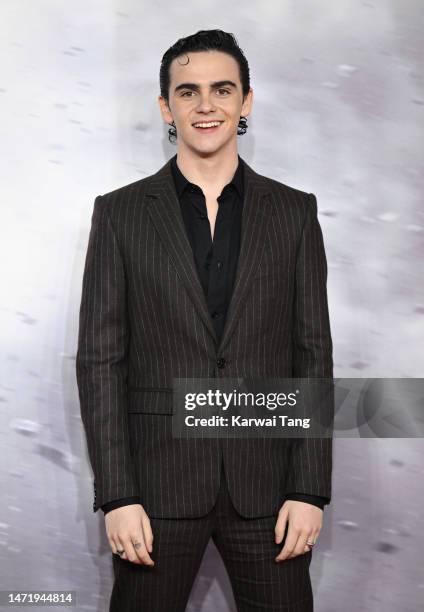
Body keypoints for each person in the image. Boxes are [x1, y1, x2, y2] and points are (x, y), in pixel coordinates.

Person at [76, 29, 334, 612]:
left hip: (269, 492)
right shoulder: (118, 214)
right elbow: (99, 363)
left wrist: (308, 488)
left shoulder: (295, 211)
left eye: (222, 89)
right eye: (187, 92)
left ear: (245, 101)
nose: (206, 105)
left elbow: (312, 352)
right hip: (154, 496)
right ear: (166, 107)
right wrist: (118, 495)